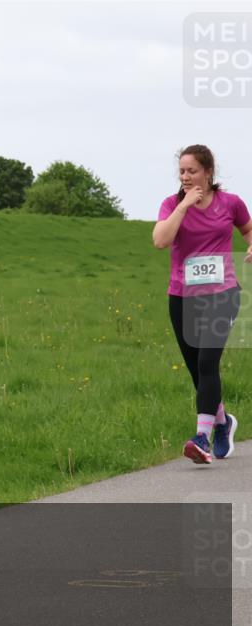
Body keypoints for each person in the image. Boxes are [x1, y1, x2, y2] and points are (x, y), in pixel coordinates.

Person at [152, 144, 252, 464]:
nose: (185, 176)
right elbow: (160, 240)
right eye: (181, 171)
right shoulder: (171, 204)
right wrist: (184, 207)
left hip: (223, 294)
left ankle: (202, 439)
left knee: (208, 363)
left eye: (191, 170)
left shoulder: (231, 203)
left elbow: (248, 230)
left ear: (208, 172)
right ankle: (223, 423)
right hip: (182, 296)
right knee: (197, 371)